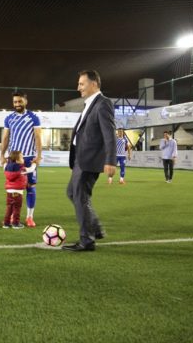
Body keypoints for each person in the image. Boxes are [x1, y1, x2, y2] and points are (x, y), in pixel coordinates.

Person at [63, 70, 116, 252]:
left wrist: (110, 160)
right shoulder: (90, 104)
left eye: (81, 84)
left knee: (80, 196)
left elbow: (109, 134)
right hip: (81, 158)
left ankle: (87, 240)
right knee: (72, 193)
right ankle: (96, 228)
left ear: (93, 84)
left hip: (89, 159)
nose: (78, 87)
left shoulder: (103, 103)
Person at [0, 90, 42, 227]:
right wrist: (2, 155)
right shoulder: (9, 118)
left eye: (20, 101)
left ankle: (29, 217)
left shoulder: (33, 117)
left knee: (30, 187)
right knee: (13, 189)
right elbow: (6, 137)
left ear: (25, 101)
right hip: (12, 159)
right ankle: (12, 216)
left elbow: (38, 137)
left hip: (28, 157)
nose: (17, 104)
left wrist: (39, 156)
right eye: (15, 102)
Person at [2, 150, 37, 229]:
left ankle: (6, 223)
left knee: (9, 208)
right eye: (21, 158)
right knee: (17, 208)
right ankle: (16, 223)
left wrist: (7, 160)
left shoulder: (6, 167)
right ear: (17, 160)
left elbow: (4, 164)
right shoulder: (21, 169)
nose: (23, 159)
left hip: (9, 192)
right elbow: (31, 169)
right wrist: (34, 163)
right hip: (17, 193)